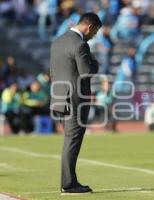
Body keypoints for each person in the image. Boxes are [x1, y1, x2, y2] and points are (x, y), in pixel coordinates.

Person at [50, 13, 102, 194]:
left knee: (69, 140)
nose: (93, 36)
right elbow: (86, 71)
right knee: (72, 141)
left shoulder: (57, 41)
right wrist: (96, 63)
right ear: (90, 27)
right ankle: (68, 184)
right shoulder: (80, 45)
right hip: (75, 100)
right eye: (94, 32)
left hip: (58, 97)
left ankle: (69, 181)